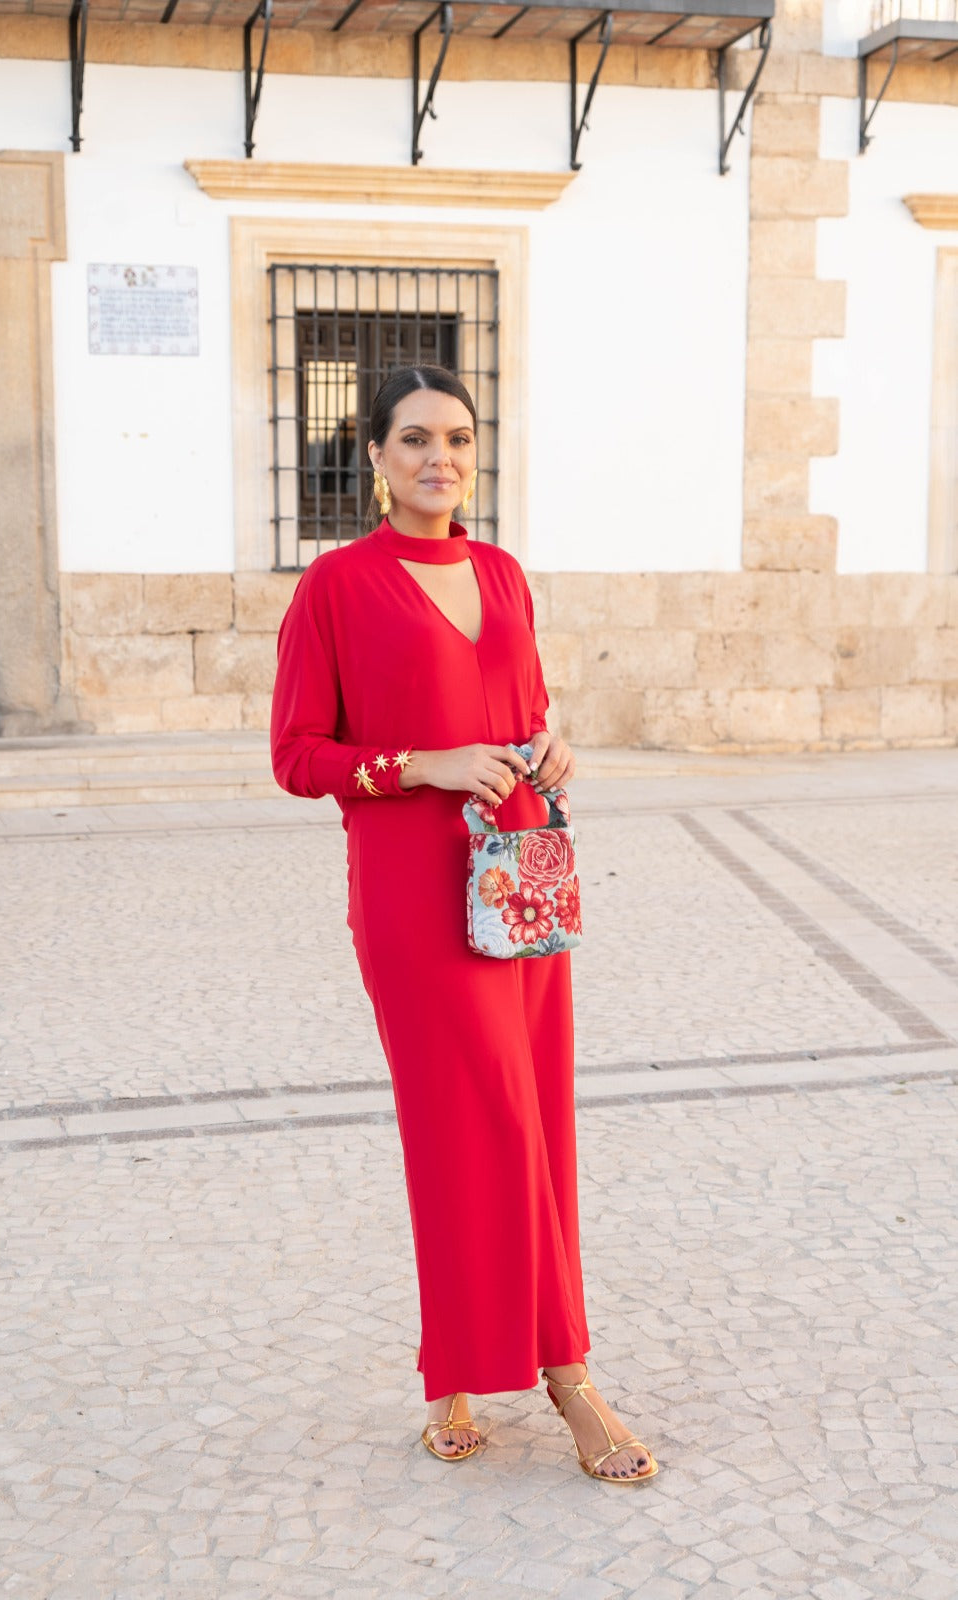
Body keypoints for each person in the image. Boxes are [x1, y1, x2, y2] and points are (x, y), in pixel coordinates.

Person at [270, 365, 658, 1483]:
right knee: (467, 1125)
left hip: (516, 875)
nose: (438, 457)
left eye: (457, 439)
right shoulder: (338, 586)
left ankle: (485, 1365)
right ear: (375, 456)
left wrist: (551, 744)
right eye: (414, 439)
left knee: (537, 1120)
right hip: (411, 891)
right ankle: (561, 1374)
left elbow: (525, 708)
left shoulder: (501, 572)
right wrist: (420, 765)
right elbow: (298, 755)